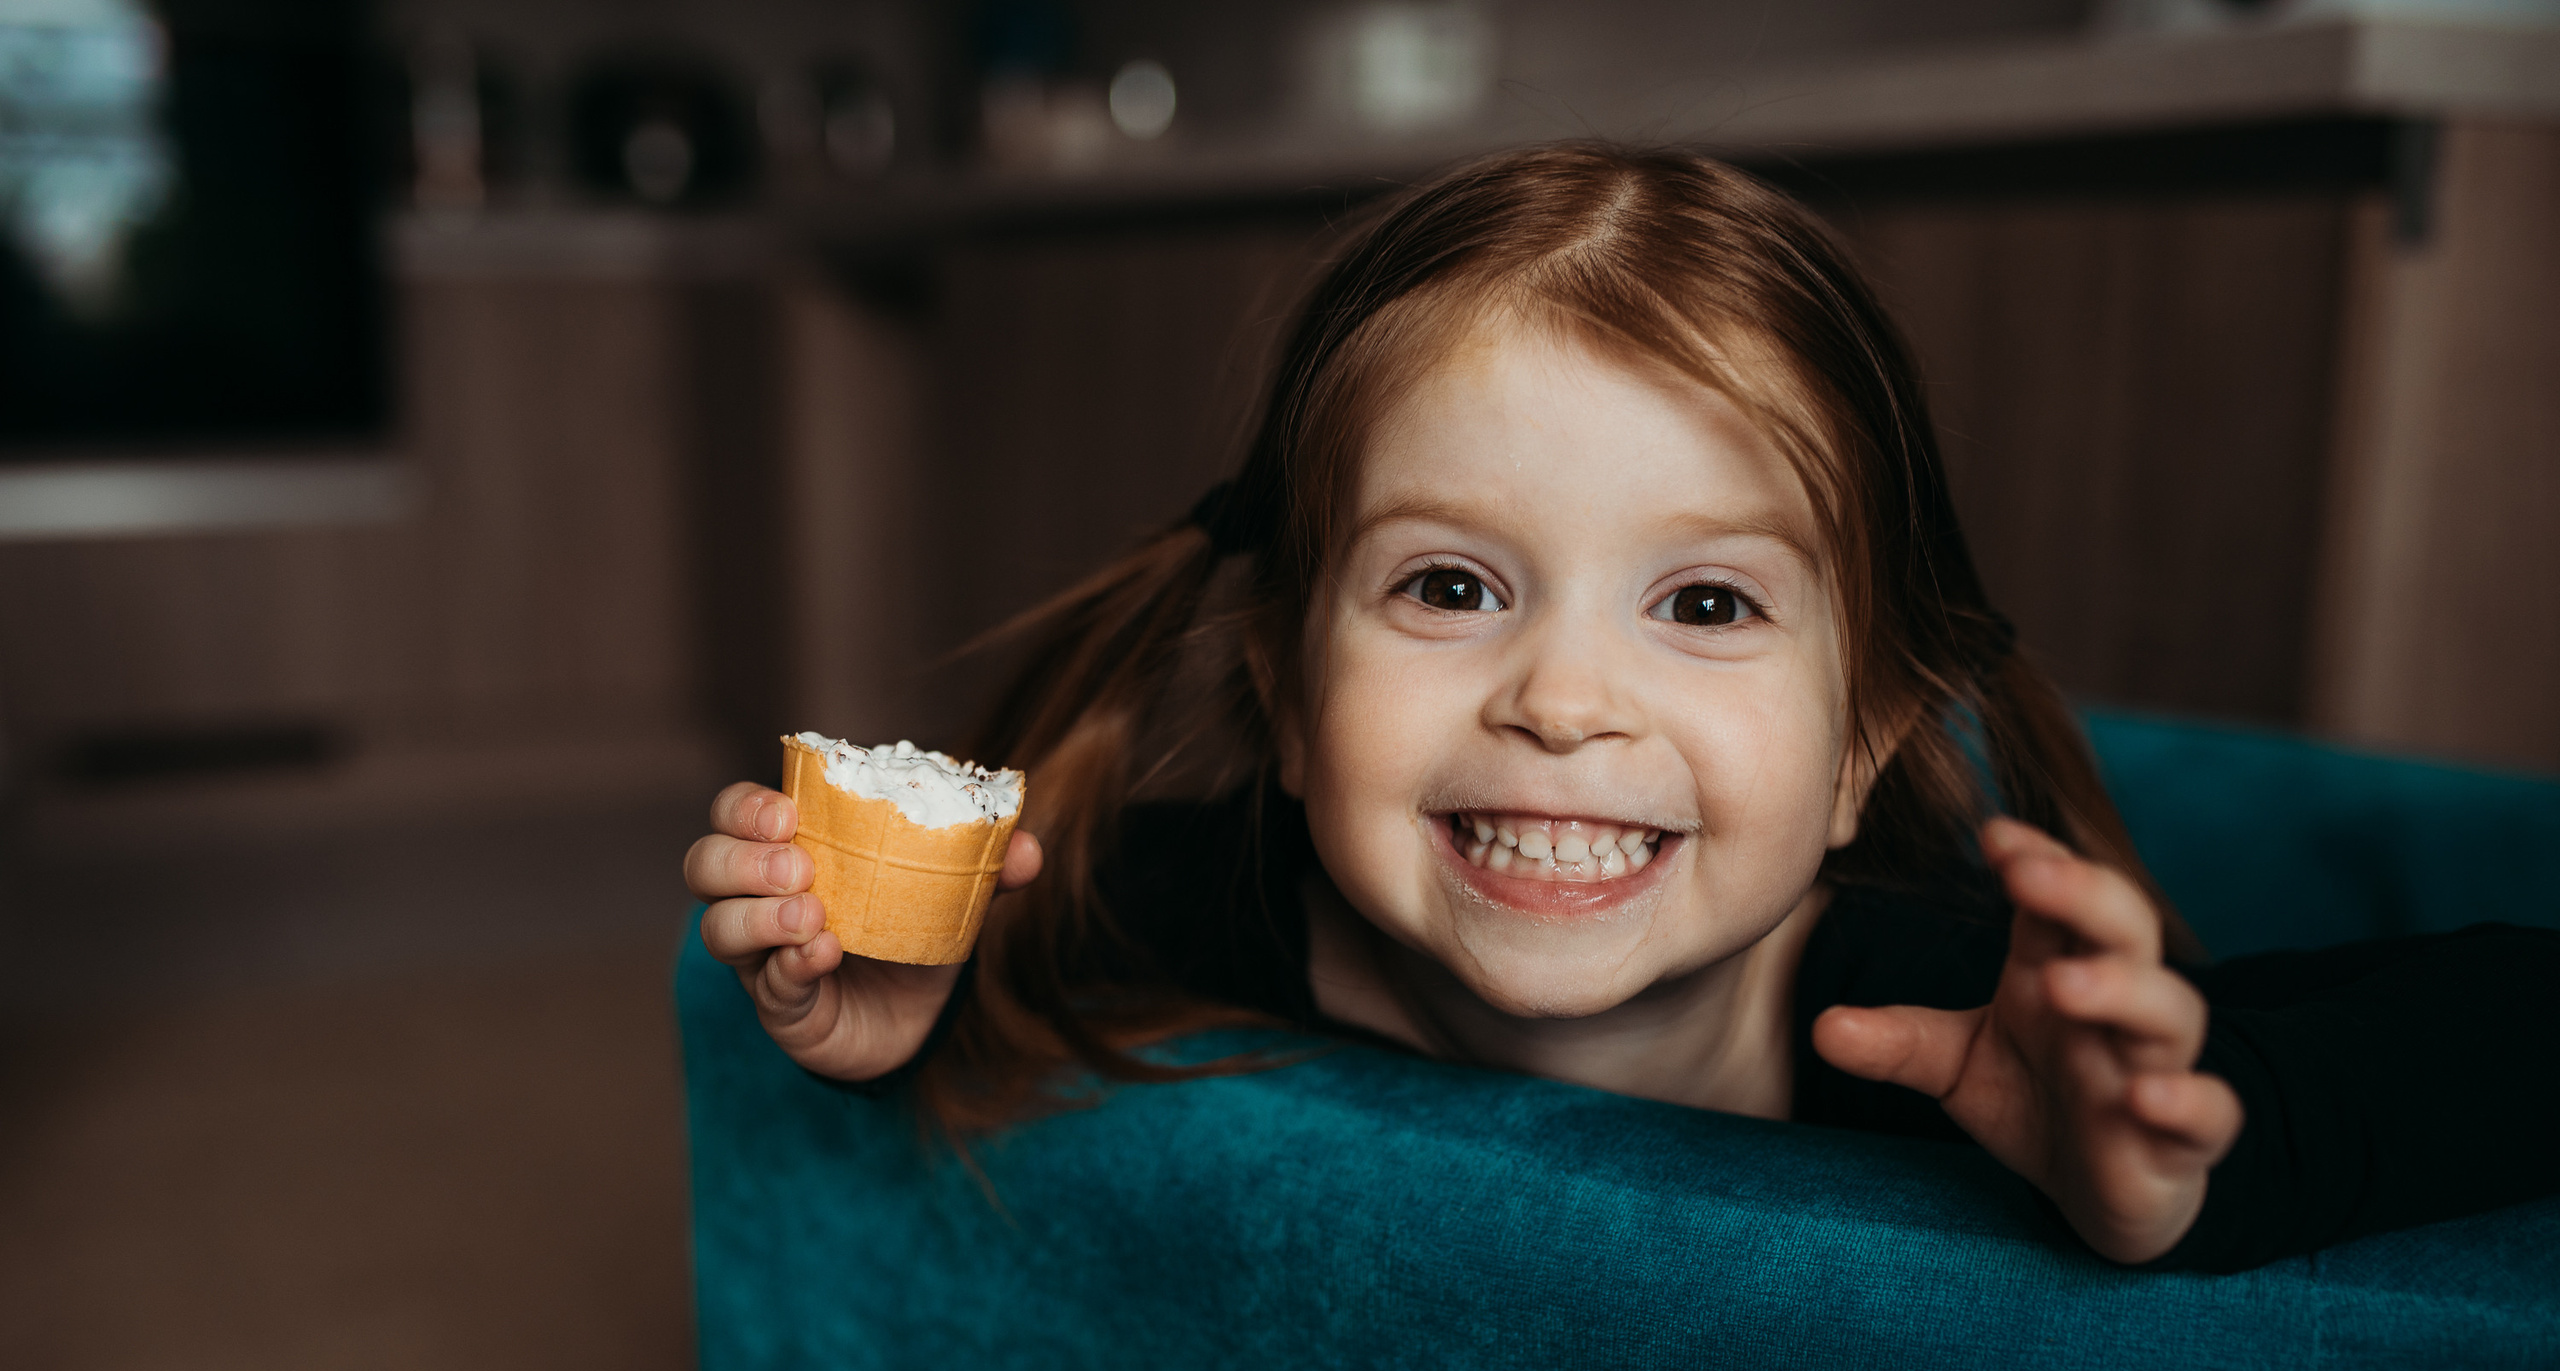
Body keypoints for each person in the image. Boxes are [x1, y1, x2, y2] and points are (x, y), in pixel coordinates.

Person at [682, 142, 2557, 1274]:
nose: (1564, 698)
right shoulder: (1215, 895)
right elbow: (1037, 963)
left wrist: (2178, 1169)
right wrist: (909, 1014)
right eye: (1449, 585)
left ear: (1863, 752)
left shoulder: (1949, 1010)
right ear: (1283, 675)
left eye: (1709, 601)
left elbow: (2510, 1027)